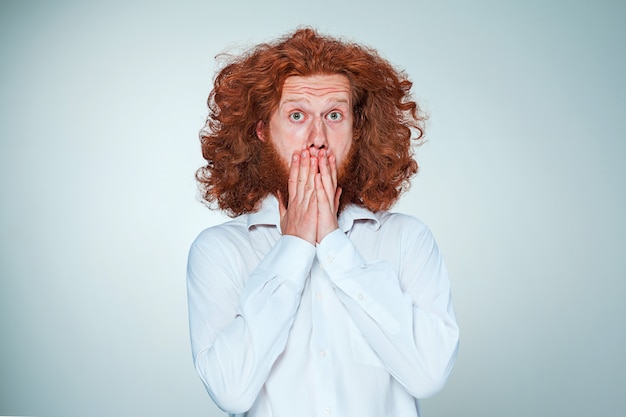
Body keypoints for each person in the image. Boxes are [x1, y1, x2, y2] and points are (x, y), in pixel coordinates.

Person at [187, 28, 459, 417]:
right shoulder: (219, 250)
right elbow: (230, 392)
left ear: (357, 130)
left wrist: (333, 244)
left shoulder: (406, 239)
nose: (318, 138)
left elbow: (428, 376)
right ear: (262, 130)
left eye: (334, 115)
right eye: (296, 115)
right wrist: (294, 247)